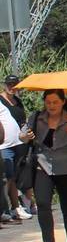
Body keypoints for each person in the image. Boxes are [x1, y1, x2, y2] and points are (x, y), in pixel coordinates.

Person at [19, 89, 67, 242]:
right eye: (48, 102)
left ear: (63, 102)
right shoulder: (37, 118)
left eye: (55, 102)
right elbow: (22, 136)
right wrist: (26, 136)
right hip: (43, 168)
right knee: (42, 204)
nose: (51, 106)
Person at [0, 74, 33, 220]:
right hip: (5, 145)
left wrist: (27, 132)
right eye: (9, 84)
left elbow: (22, 121)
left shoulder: (18, 102)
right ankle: (6, 209)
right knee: (7, 177)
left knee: (16, 176)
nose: (12, 87)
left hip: (20, 143)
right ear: (4, 85)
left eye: (15, 84)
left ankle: (17, 207)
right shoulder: (0, 100)